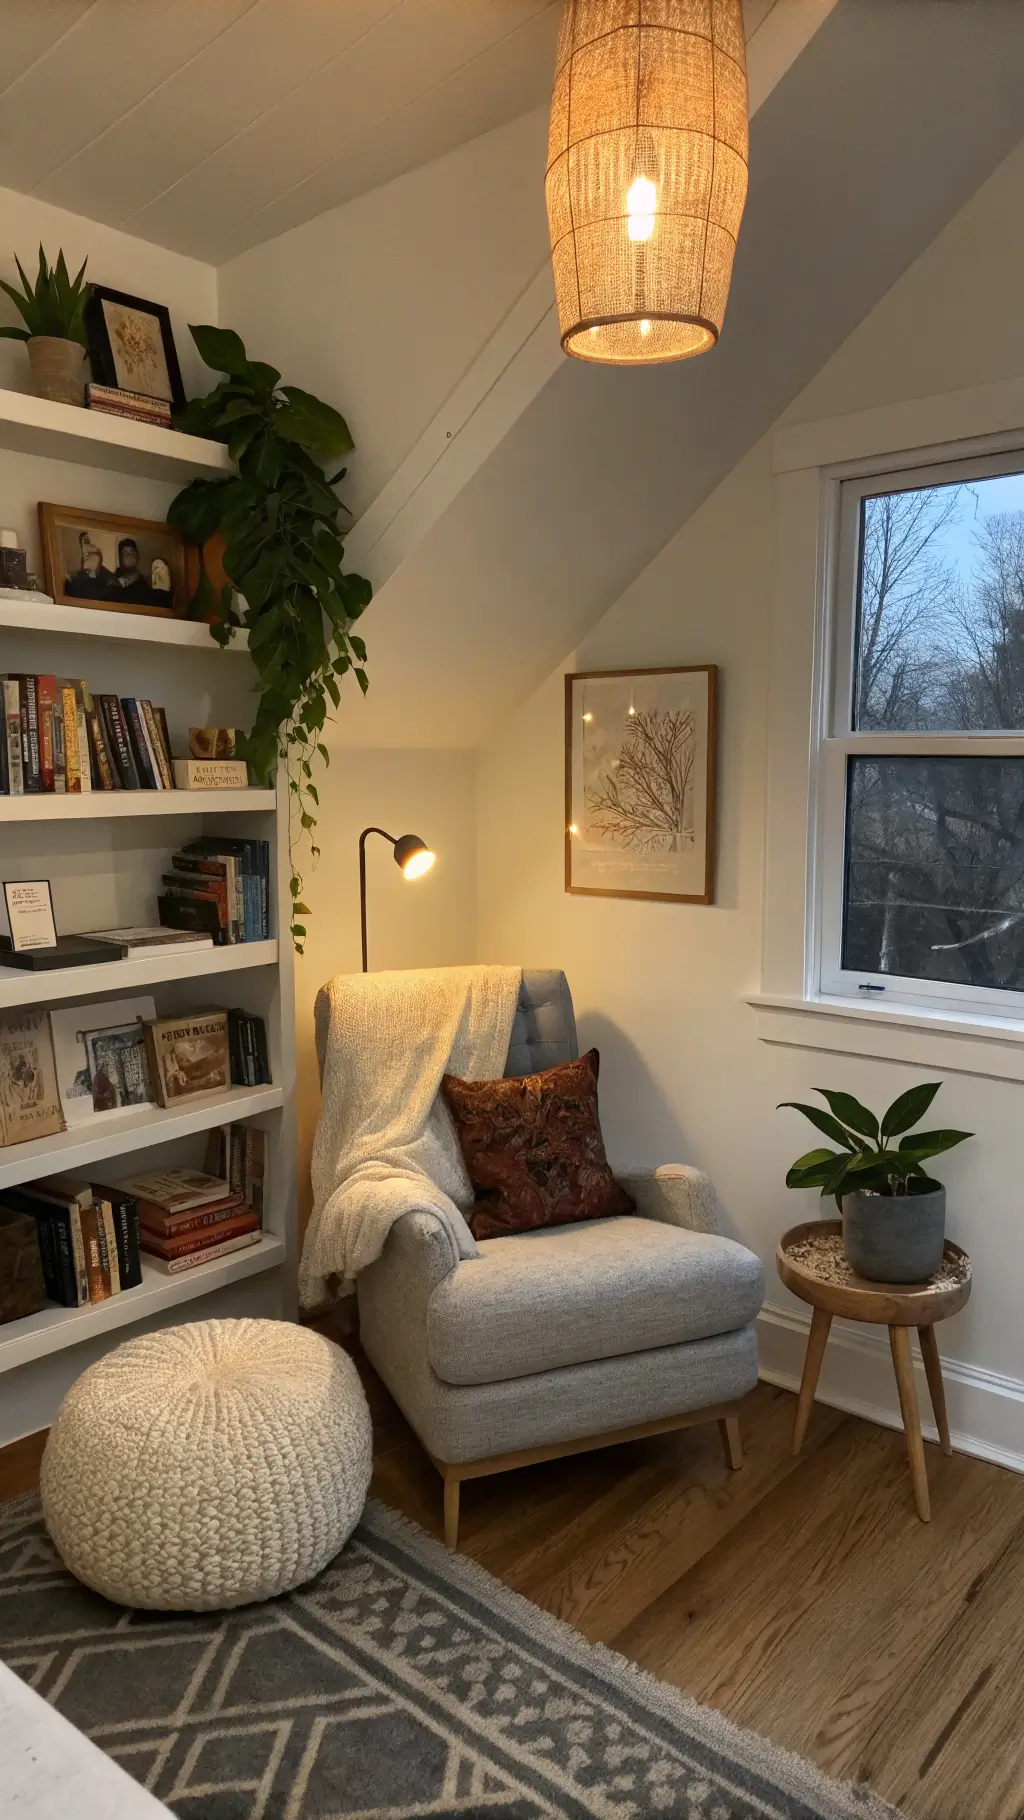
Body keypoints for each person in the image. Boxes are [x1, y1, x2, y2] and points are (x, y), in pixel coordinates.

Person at [64, 532, 114, 601]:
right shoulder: (72, 580)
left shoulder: (110, 580)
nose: (87, 547)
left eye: (89, 543)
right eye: (85, 542)